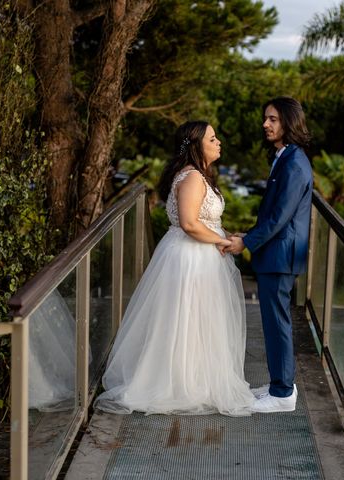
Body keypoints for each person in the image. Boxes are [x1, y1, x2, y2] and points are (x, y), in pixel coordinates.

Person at [94, 121, 255, 416]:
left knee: (195, 320)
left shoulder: (198, 175)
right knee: (187, 317)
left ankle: (196, 378)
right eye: (213, 138)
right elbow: (190, 223)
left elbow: (204, 222)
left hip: (197, 253)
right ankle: (181, 383)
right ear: (196, 146)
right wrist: (223, 241)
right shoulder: (193, 177)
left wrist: (227, 235)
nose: (219, 142)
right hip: (191, 257)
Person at [226, 97, 313, 413]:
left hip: (281, 255)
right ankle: (280, 383)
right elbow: (272, 214)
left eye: (273, 119)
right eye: (266, 118)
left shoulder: (293, 163)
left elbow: (279, 217)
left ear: (289, 122)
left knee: (278, 323)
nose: (266, 124)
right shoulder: (286, 157)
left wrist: (245, 242)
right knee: (275, 322)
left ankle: (282, 394)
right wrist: (247, 234)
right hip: (277, 253)